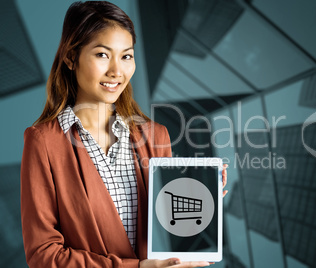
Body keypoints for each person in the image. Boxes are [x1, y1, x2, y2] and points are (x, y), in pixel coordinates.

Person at [20, 1, 227, 267]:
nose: (117, 71)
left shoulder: (155, 136)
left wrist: (203, 195)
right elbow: (43, 255)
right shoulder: (43, 141)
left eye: (126, 56)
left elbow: (166, 223)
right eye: (102, 55)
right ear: (71, 57)